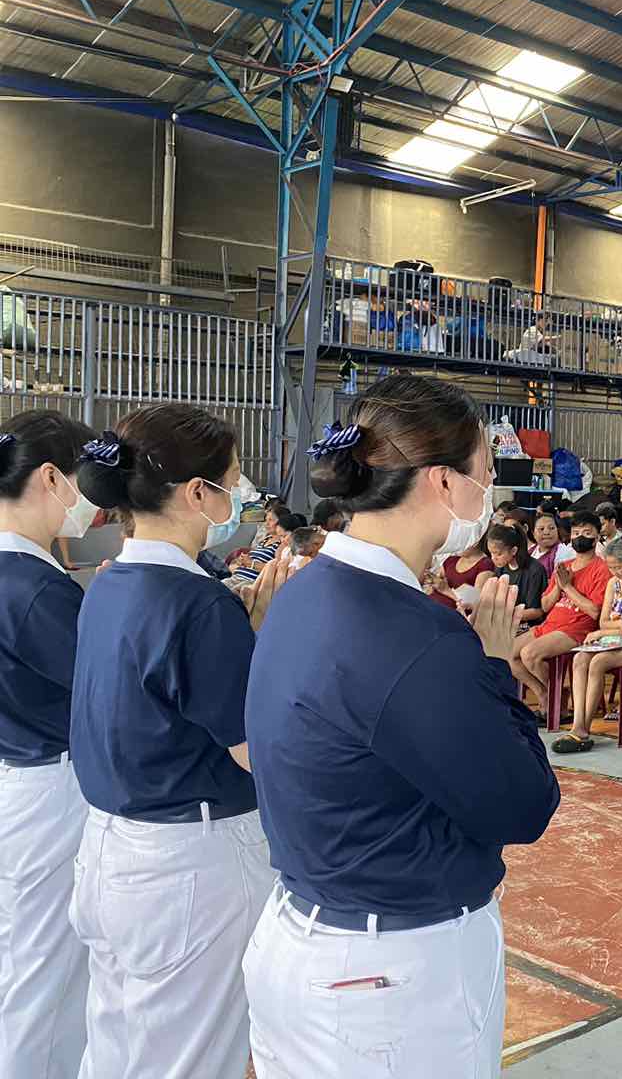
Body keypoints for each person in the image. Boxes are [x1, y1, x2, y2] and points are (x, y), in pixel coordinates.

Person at [243, 377, 559, 1076]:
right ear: (444, 483)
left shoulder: (305, 592)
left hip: (307, 937)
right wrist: (497, 670)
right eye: (485, 475)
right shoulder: (416, 637)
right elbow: (522, 804)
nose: (490, 498)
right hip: (387, 977)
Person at [71, 405, 286, 1078]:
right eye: (232, 478)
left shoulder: (108, 586)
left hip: (109, 846)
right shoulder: (200, 604)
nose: (241, 491)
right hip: (188, 863)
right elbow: (255, 750)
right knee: (191, 1059)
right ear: (199, 494)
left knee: (115, 1047)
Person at [0, 411, 96, 1079]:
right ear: (52, 477)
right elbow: (109, 693)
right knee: (45, 977)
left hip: (19, 777)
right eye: (87, 480)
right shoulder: (33, 589)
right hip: (48, 792)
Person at [554, 536, 622, 754]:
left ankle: (583, 728)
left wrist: (610, 628)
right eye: (611, 567)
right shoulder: (612, 583)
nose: (616, 572)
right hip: (614, 637)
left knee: (598, 663)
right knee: (580, 658)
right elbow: (604, 620)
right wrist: (615, 626)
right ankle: (578, 722)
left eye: (620, 567)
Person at [518, 511, 612, 709]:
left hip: (577, 629)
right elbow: (544, 606)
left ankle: (554, 700)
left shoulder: (602, 569)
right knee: (505, 654)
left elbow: (595, 612)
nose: (580, 537)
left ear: (597, 537)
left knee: (529, 654)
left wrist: (568, 587)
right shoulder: (564, 566)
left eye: (586, 532)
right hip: (550, 624)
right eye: (576, 532)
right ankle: (547, 693)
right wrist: (560, 586)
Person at [485, 523, 547, 629]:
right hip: (505, 621)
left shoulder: (535, 570)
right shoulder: (501, 567)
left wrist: (504, 615)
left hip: (527, 625)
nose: (493, 558)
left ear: (514, 550)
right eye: (491, 554)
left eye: (498, 554)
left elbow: (537, 611)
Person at [528, 511, 575, 579]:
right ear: (533, 534)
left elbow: (557, 582)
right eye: (541, 529)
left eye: (551, 528)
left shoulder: (564, 552)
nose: (546, 532)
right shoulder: (530, 551)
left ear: (557, 530)